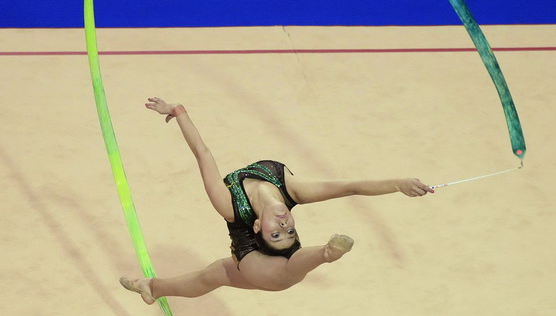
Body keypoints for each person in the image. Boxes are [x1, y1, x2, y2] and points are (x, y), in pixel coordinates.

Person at [120, 97, 434, 305]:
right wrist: (399, 182)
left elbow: (203, 155)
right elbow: (350, 186)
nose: (285, 225)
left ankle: (326, 253)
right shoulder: (291, 190)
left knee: (283, 273)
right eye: (289, 232)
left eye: (276, 232)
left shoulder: (228, 203)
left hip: (264, 266)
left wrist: (179, 113)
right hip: (260, 260)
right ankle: (153, 288)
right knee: (210, 276)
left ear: (258, 225)